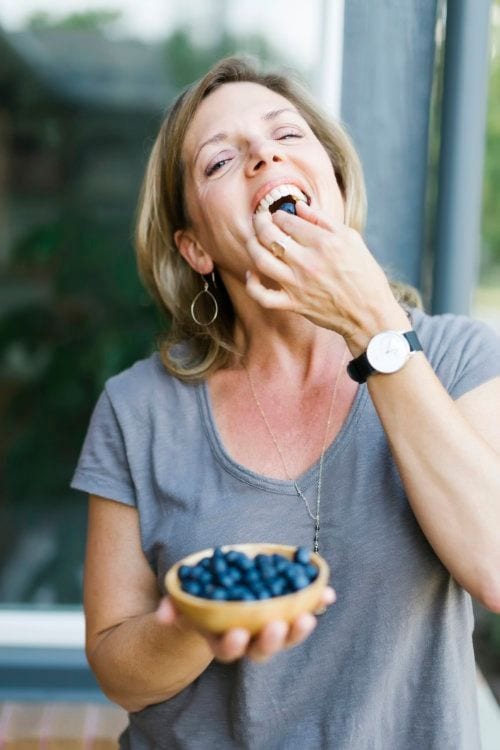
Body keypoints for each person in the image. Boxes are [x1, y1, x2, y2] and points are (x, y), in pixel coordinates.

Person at [71, 56, 500, 749]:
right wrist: (192, 625)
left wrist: (374, 329)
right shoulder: (137, 409)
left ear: (331, 180)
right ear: (197, 248)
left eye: (287, 136)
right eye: (218, 161)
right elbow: (119, 673)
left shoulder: (456, 360)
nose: (263, 154)